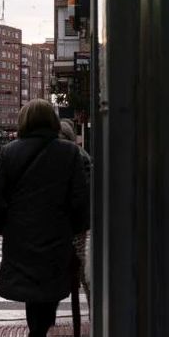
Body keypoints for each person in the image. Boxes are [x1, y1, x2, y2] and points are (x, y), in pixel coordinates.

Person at [0, 100, 90, 337]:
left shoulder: (9, 152)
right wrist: (77, 228)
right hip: (57, 233)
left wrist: (4, 226)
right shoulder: (69, 153)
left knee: (33, 292)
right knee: (50, 291)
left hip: (21, 234)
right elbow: (81, 199)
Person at [59, 120, 92, 305]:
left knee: (80, 266)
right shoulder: (81, 154)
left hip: (73, 222)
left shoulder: (74, 155)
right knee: (81, 268)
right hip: (78, 221)